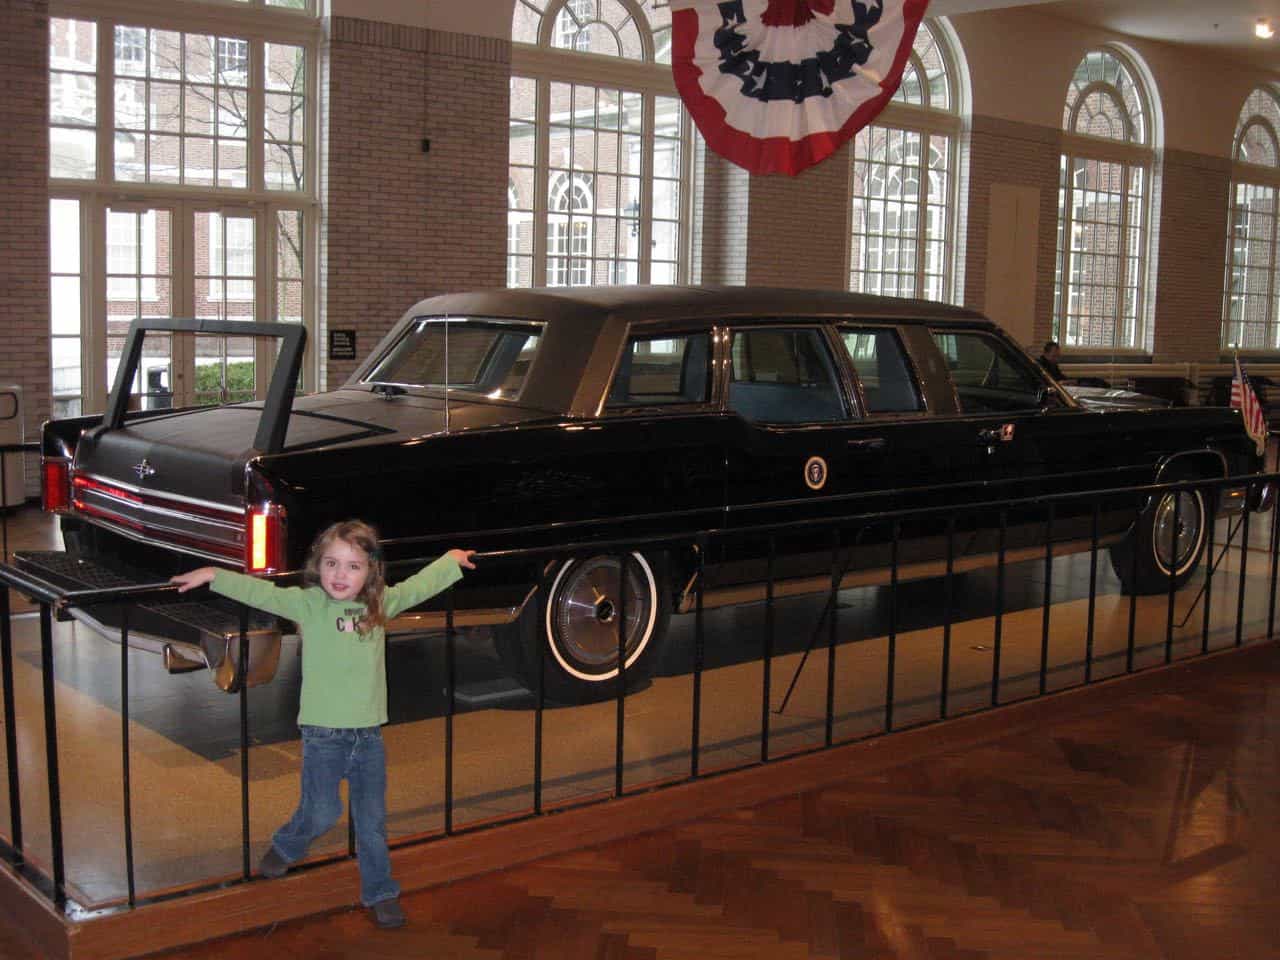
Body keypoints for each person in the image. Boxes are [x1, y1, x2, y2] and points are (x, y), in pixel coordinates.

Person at [171, 520, 476, 929]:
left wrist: (450, 562)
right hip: (323, 735)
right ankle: (287, 845)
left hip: (368, 735)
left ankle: (380, 892)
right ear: (318, 565)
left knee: (372, 821)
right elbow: (262, 591)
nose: (339, 574)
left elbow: (419, 586)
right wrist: (214, 575)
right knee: (322, 811)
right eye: (331, 563)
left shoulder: (379, 604)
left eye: (352, 566)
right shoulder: (309, 605)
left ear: (370, 571)